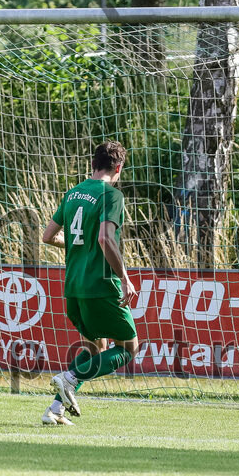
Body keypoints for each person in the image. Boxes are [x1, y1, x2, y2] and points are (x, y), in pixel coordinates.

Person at [39, 141, 139, 425]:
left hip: (73, 287)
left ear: (92, 165)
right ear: (118, 168)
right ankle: (69, 378)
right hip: (100, 285)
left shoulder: (73, 194)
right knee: (128, 348)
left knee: (95, 348)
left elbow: (48, 236)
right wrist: (124, 278)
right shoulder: (112, 195)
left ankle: (55, 410)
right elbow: (105, 238)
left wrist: (75, 244)